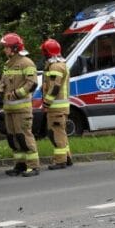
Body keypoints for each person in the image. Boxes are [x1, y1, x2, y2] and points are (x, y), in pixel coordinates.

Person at [0, 32, 40, 177]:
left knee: (24, 137)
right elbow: (3, 82)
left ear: (14, 48)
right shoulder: (8, 65)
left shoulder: (26, 62)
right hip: (9, 109)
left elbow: (32, 84)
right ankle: (20, 165)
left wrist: (15, 94)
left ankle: (33, 166)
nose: (4, 50)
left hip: (22, 109)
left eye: (6, 47)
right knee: (13, 138)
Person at [40, 38, 73, 169]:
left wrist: (46, 103)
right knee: (61, 132)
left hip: (56, 107)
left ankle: (60, 161)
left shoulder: (55, 66)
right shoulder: (61, 64)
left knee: (56, 132)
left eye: (44, 52)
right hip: (61, 107)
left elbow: (55, 87)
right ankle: (67, 157)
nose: (43, 54)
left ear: (48, 52)